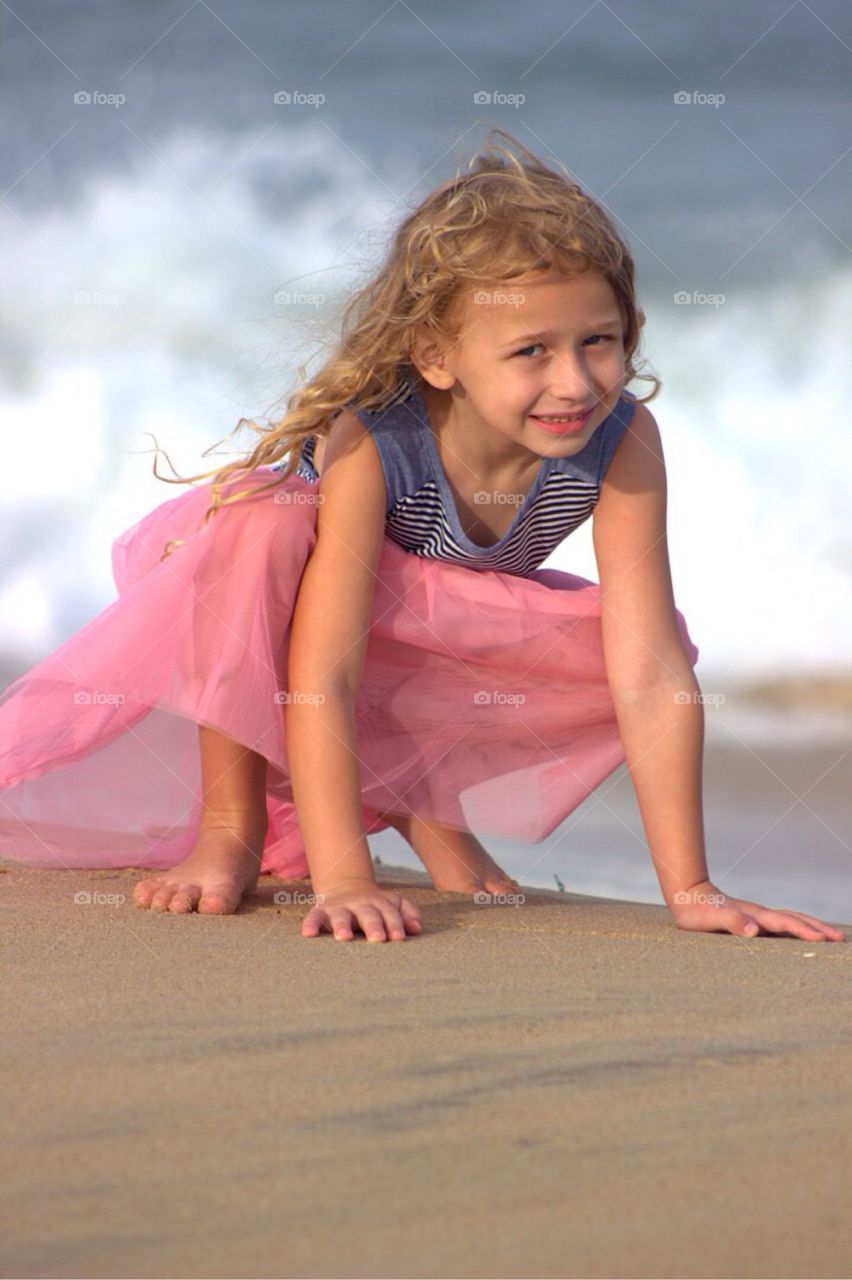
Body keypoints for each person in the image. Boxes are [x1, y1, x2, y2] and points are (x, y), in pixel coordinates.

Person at [0, 129, 843, 946]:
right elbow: (319, 677)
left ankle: (420, 807)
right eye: (531, 350)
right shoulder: (373, 443)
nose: (575, 381)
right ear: (437, 357)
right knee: (259, 525)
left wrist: (691, 890)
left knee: (631, 645)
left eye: (601, 340)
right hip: (271, 620)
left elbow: (650, 671)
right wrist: (343, 878)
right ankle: (231, 823)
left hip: (412, 633)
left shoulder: (622, 438)